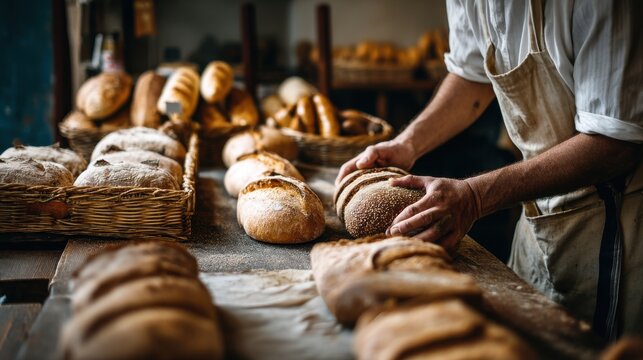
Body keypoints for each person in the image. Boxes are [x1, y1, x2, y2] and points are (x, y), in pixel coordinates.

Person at [336, 0, 642, 339]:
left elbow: (615, 143)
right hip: (537, 210)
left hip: (615, 224)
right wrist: (408, 144)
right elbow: (471, 76)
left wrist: (474, 196)